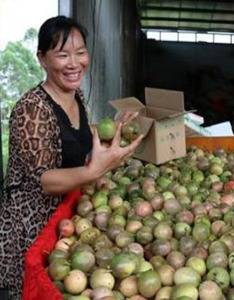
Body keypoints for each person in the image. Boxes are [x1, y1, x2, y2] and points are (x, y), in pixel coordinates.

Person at [0, 16, 143, 299]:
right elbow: (46, 180)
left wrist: (115, 130)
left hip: (65, 219)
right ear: (42, 59)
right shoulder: (31, 109)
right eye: (62, 55)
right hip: (32, 228)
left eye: (80, 52)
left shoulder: (76, 96)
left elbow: (76, 135)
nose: (74, 63)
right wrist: (94, 171)